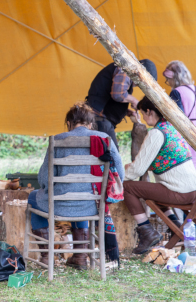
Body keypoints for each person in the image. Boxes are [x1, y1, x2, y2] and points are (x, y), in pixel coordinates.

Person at [27, 103, 124, 270]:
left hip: (59, 205)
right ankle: (80, 256)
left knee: (32, 196)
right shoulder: (104, 139)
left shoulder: (57, 139)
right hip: (93, 205)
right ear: (90, 123)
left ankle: (46, 256)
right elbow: (120, 175)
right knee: (83, 196)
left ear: (69, 123)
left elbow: (43, 178)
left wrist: (48, 188)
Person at [124, 96, 196, 254]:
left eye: (143, 114)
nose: (144, 119)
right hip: (193, 191)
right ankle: (176, 227)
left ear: (149, 111)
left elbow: (137, 170)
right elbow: (166, 161)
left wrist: (118, 178)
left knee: (127, 187)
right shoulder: (171, 128)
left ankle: (146, 231)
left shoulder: (157, 133)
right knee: (154, 190)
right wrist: (134, 166)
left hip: (180, 192)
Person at [85, 59, 158, 149]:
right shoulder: (125, 69)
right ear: (140, 73)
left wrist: (126, 112)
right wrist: (134, 101)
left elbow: (112, 97)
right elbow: (117, 94)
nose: (140, 85)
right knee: (112, 153)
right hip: (99, 117)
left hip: (102, 117)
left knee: (106, 153)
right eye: (143, 81)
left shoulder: (127, 72)